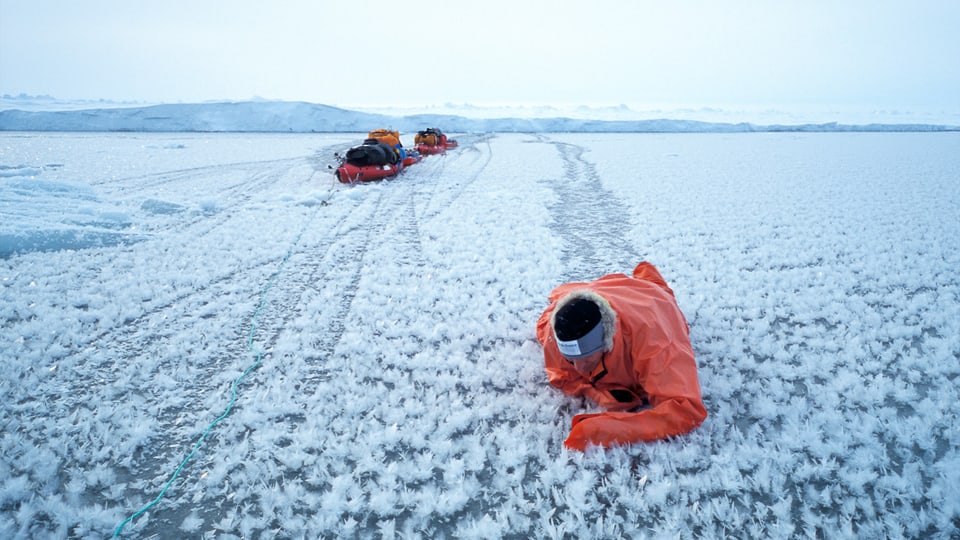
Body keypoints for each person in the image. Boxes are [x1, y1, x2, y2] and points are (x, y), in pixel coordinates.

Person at [536, 262, 707, 451]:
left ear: (606, 342)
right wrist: (598, 393)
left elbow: (687, 410)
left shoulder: (656, 346)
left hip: (653, 304)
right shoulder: (555, 333)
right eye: (571, 359)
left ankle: (649, 277)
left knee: (659, 292)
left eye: (587, 359)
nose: (579, 369)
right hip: (608, 291)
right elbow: (562, 376)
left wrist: (606, 429)